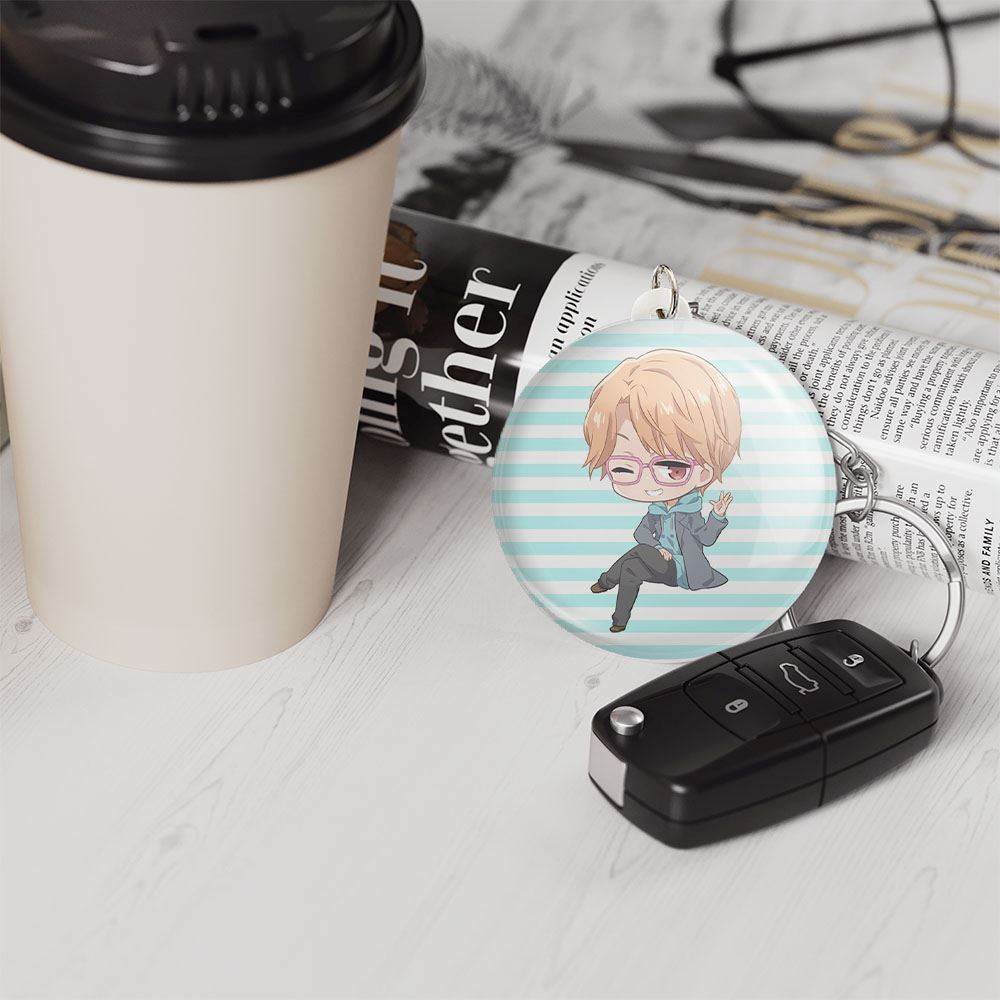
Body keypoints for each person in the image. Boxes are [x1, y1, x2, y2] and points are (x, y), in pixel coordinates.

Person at [583, 349, 742, 632]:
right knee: (635, 559)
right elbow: (641, 533)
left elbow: (706, 539)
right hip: (662, 562)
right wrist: (658, 548)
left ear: (703, 472)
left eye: (672, 468)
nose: (649, 483)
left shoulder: (690, 512)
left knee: (634, 560)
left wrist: (717, 516)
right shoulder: (656, 511)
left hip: (684, 570)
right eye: (623, 467)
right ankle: (613, 603)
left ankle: (610, 592)